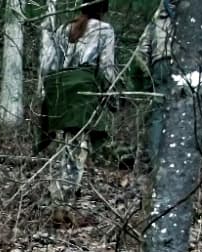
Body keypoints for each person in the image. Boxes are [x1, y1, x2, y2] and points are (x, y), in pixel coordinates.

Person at [39, 0, 117, 203]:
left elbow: (48, 65)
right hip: (83, 92)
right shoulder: (105, 30)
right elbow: (107, 68)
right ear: (103, 9)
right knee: (77, 146)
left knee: (62, 144)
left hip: (59, 92)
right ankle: (64, 201)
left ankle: (57, 194)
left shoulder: (64, 29)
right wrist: (113, 95)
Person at [135, 0, 175, 162]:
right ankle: (174, 160)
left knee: (158, 114)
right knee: (182, 110)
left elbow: (140, 52)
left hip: (159, 65)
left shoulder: (157, 18)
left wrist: (149, 73)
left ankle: (156, 161)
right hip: (181, 64)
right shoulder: (191, 15)